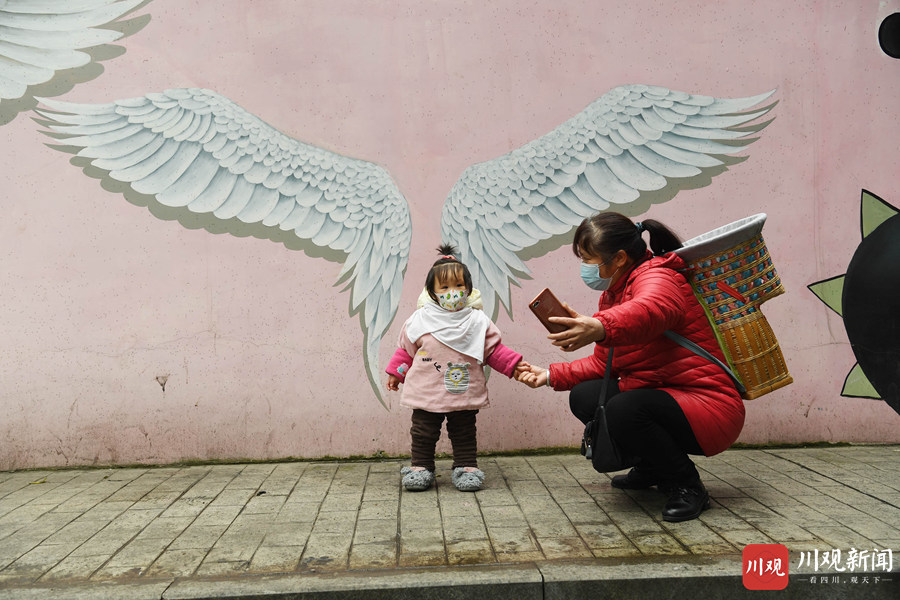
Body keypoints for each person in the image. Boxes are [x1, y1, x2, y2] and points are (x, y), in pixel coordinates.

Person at [516, 212, 745, 522]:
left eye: (589, 259)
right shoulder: (615, 293)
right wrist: (548, 375)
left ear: (620, 258)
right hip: (664, 395)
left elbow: (652, 308)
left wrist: (600, 326)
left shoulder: (658, 276)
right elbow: (604, 363)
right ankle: (653, 466)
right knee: (585, 396)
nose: (586, 268)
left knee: (624, 409)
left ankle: (687, 486)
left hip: (708, 404)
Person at [386, 244, 526, 492]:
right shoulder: (419, 320)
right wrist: (396, 374)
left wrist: (514, 366)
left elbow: (492, 350)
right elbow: (406, 350)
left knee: (463, 431)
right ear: (432, 292)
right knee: (423, 431)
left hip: (462, 391)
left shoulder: (477, 321)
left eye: (459, 285)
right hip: (426, 390)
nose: (453, 292)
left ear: (469, 288)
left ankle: (466, 467)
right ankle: (421, 467)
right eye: (445, 287)